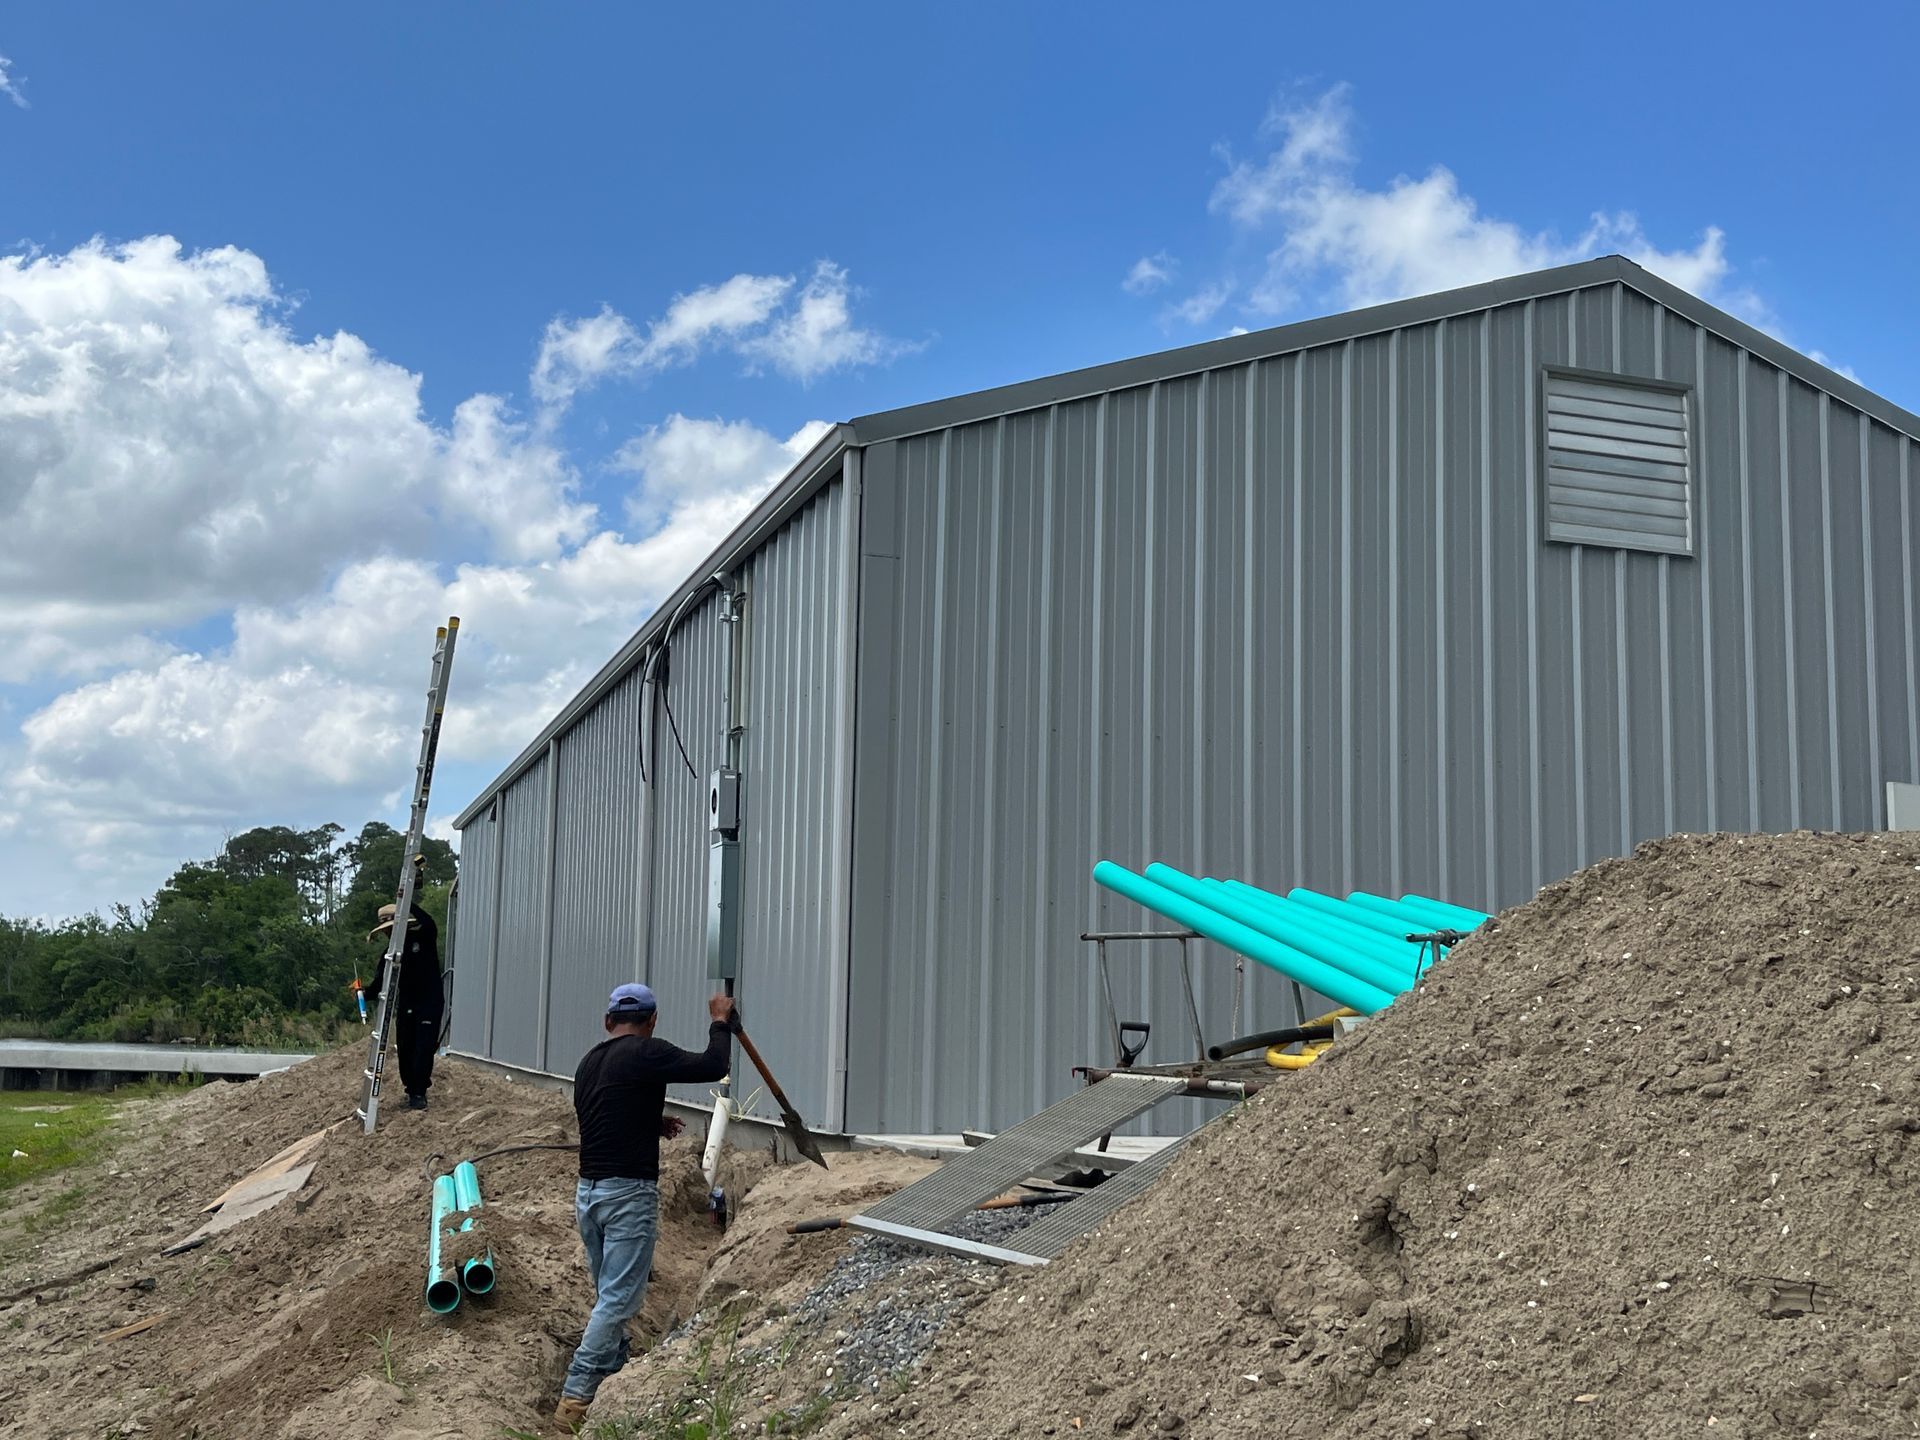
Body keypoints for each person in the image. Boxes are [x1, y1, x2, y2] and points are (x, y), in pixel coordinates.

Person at [553, 983, 733, 1429]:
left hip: (588, 1194)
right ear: (651, 1023)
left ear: (607, 1021)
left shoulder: (589, 1062)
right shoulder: (649, 1053)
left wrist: (653, 1121)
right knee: (616, 1300)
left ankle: (613, 1375)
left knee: (606, 1296)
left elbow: (605, 1108)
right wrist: (719, 1019)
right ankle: (574, 1398)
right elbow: (715, 1065)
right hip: (627, 1194)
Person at [364, 886, 444, 1111]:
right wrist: (363, 994)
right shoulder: (389, 954)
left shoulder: (423, 937)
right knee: (406, 1048)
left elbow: (429, 923)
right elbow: (380, 981)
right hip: (407, 1003)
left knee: (422, 1048)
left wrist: (407, 903)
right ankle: (411, 1090)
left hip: (430, 1001)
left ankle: (420, 1092)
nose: (389, 934)